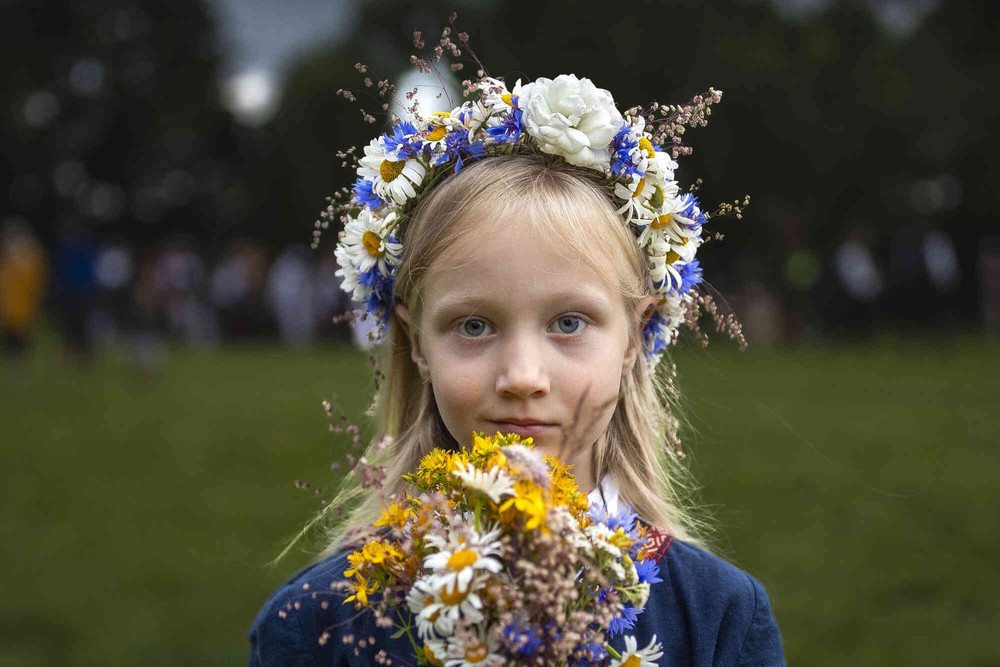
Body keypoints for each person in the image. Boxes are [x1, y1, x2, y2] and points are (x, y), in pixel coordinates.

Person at [249, 68, 783, 666]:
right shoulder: (320, 625)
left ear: (634, 336)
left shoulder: (718, 619)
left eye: (569, 323)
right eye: (474, 326)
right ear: (417, 343)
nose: (523, 376)